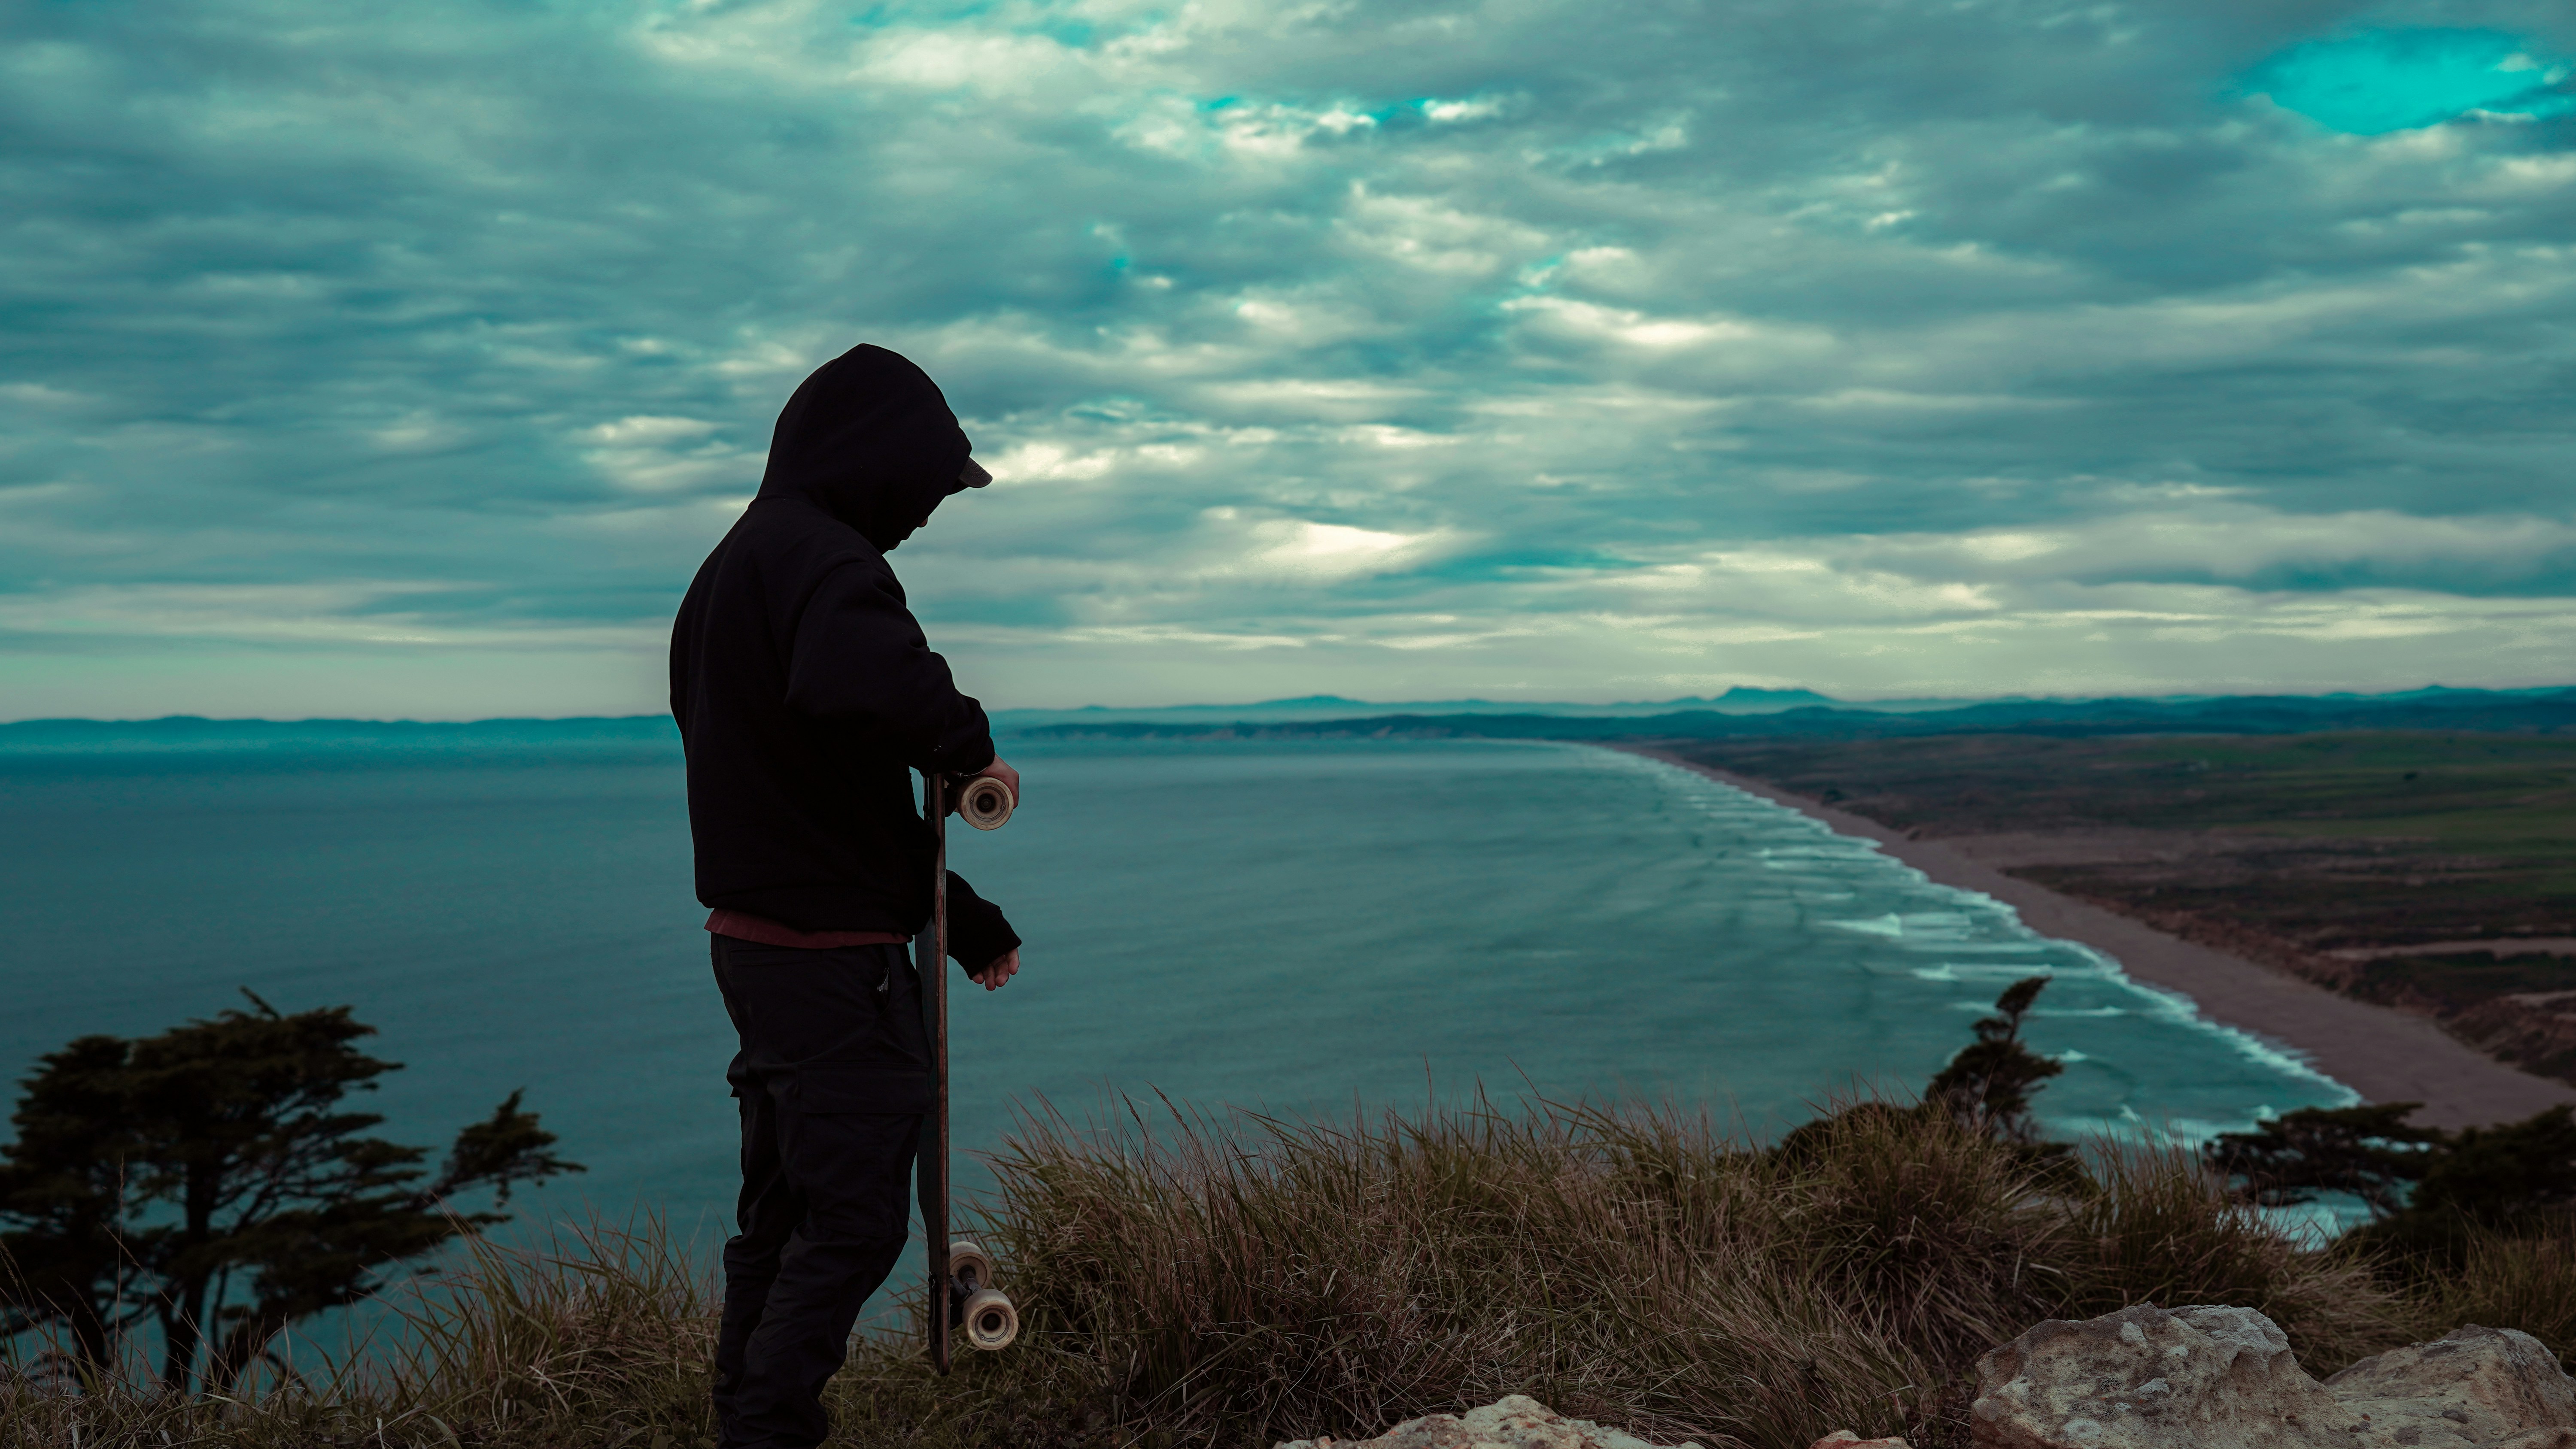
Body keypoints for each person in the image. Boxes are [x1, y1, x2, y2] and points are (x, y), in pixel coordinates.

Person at [669, 343, 1023, 1449]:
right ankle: (769, 1432)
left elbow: (819, 800)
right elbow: (870, 687)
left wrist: (953, 914)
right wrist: (967, 737)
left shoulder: (735, 567)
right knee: (861, 1218)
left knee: (780, 1215)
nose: (924, 514)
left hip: (761, 949)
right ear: (870, 461)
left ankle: (745, 1420)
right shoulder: (825, 562)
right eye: (923, 487)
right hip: (830, 967)